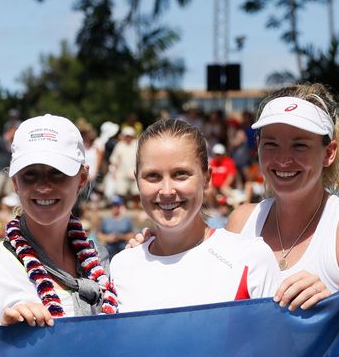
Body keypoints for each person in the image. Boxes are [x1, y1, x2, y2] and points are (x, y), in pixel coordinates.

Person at [225, 84, 339, 306]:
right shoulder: (240, 221)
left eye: (300, 146)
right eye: (271, 144)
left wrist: (325, 310)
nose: (283, 159)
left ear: (329, 153)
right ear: (258, 147)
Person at [0, 115, 118, 326]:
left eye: (57, 173)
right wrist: (4, 341)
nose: (42, 187)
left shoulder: (106, 264)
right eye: (30, 174)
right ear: (15, 182)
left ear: (82, 179)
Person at [109, 119, 278, 310]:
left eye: (180, 174)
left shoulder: (250, 258)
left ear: (207, 179)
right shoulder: (121, 267)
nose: (166, 190)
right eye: (153, 176)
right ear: (137, 181)